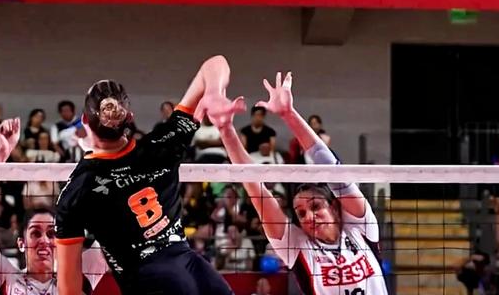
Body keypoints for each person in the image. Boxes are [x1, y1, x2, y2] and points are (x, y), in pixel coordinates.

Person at [55, 55, 235, 295]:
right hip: (197, 271)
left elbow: (69, 290)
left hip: (150, 281)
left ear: (85, 121)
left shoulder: (76, 191)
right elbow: (216, 62)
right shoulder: (161, 145)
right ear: (130, 118)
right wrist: (214, 93)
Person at [209, 72, 389, 295]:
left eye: (315, 207)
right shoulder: (297, 246)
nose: (309, 217)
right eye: (301, 214)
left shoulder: (360, 228)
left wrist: (289, 114)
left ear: (333, 207)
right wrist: (226, 130)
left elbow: (331, 167)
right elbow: (253, 183)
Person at [0, 119, 107, 295]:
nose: (44, 241)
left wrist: (102, 149)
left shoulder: (80, 275)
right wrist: (0, 153)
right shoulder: (5, 279)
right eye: (35, 233)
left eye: (51, 233)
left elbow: (116, 223)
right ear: (21, 243)